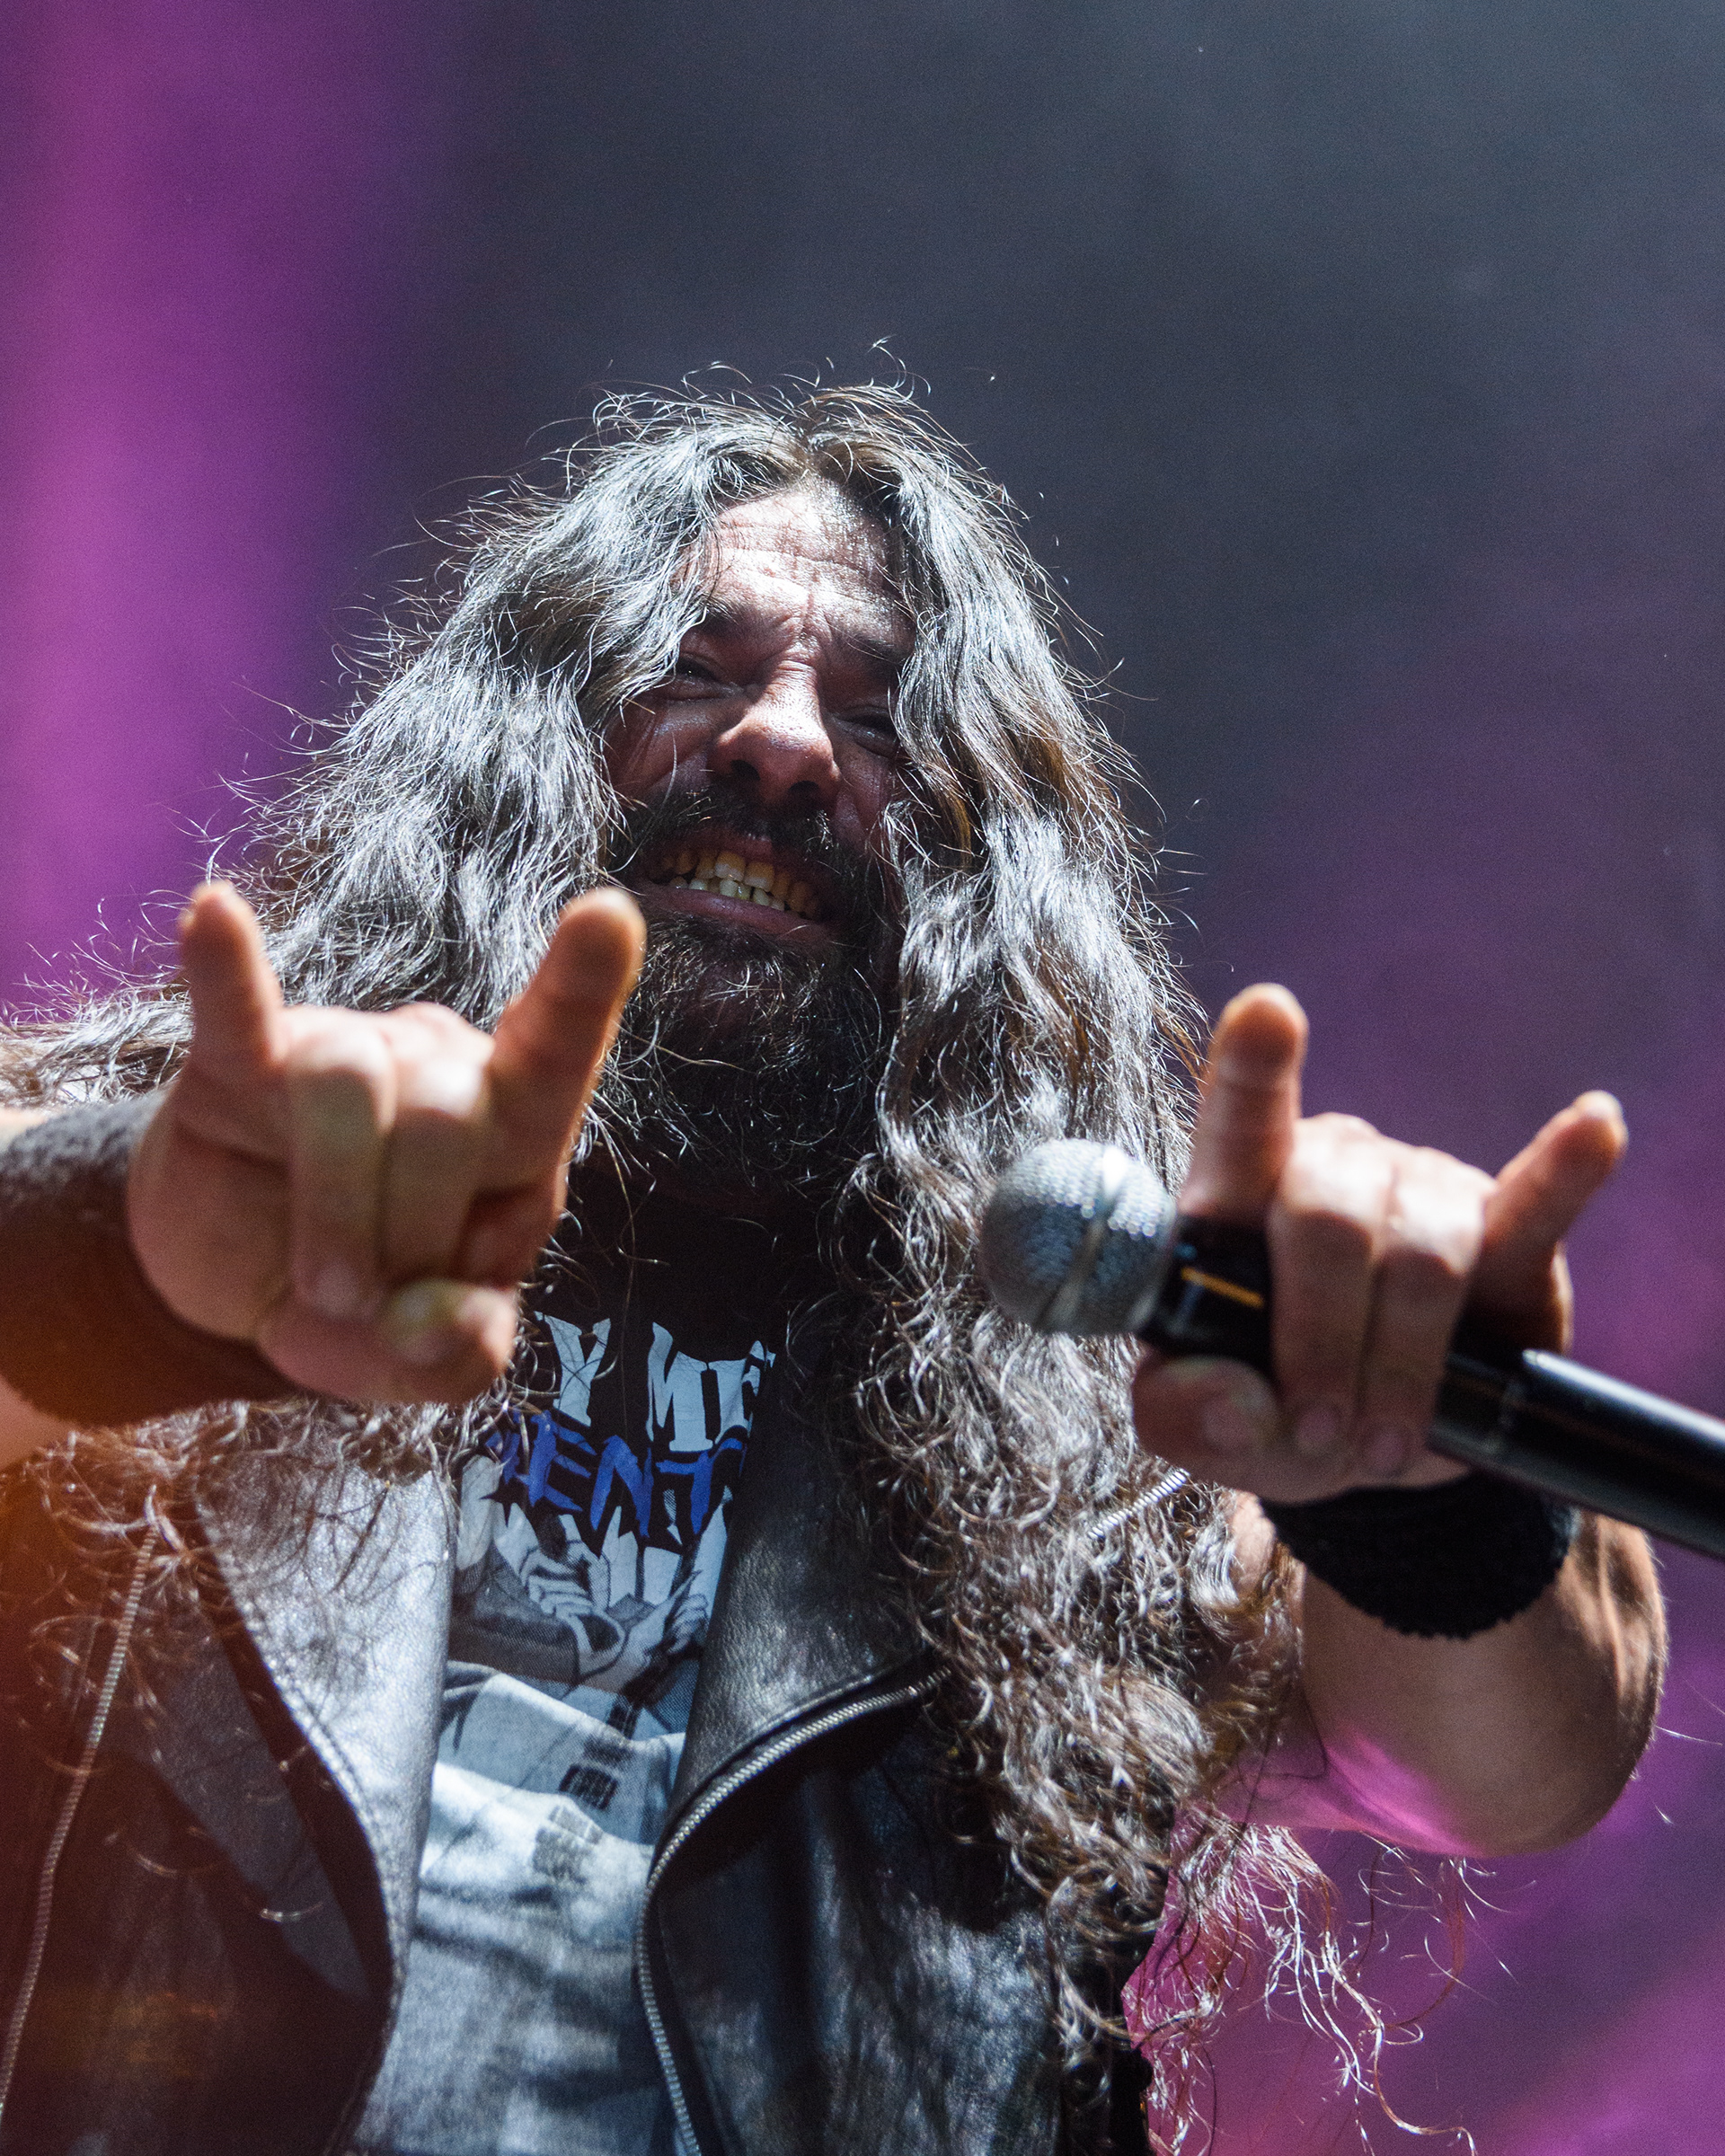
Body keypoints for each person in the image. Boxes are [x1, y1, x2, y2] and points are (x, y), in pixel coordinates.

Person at [0, 389, 1663, 2156]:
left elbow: (1522, 1765)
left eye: (880, 718)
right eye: (692, 670)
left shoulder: (1096, 1414)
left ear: (979, 863)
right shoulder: (193, 1156)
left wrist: (1418, 1488)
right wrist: (137, 1259)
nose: (784, 743)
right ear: (522, 743)